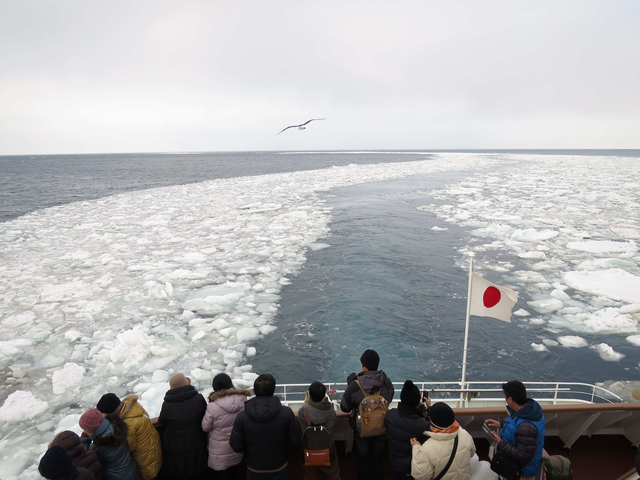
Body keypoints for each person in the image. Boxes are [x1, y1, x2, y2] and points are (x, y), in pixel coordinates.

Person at [229, 373, 302, 479]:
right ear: (273, 389)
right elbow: (295, 441)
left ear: (255, 390)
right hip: (278, 465)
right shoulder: (286, 413)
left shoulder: (242, 417)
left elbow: (236, 445)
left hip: (254, 467)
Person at [340, 349, 394, 480]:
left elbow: (344, 407)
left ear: (363, 366)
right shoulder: (386, 383)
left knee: (363, 459)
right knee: (378, 458)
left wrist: (350, 385)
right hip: (381, 426)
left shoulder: (355, 385)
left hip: (361, 429)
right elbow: (389, 399)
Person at [485, 380, 546, 480]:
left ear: (510, 399)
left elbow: (522, 455)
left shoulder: (526, 427)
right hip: (519, 466)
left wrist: (500, 442)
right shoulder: (528, 411)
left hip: (521, 472)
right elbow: (516, 424)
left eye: (506, 396)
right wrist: (501, 424)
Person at [97, 392, 162, 480]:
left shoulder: (127, 425)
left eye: (102, 413)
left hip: (147, 467)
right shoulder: (132, 409)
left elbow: (128, 448)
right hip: (154, 457)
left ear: (110, 412)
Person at [156, 373, 209, 480]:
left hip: (175, 446)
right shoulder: (198, 399)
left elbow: (162, 421)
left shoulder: (167, 404)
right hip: (197, 443)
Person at [201, 373, 252, 479]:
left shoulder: (213, 406)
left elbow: (205, 427)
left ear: (216, 387)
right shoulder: (243, 400)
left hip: (219, 453)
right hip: (236, 448)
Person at [410, 402, 476, 480]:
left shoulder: (427, 448)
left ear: (432, 423)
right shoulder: (466, 435)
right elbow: (472, 453)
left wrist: (416, 448)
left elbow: (421, 476)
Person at [385, 380, 430, 480]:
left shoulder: (390, 415)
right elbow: (435, 428)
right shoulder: (423, 424)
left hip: (396, 464)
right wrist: (429, 408)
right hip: (416, 465)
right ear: (417, 400)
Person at [79, 408, 139, 480]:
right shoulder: (115, 427)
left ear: (92, 429)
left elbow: (88, 459)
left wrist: (84, 440)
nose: (85, 431)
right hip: (131, 472)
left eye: (86, 429)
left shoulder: (98, 446)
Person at [297, 381, 340, 480]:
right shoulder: (331, 412)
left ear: (310, 396)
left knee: (309, 476)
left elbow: (303, 428)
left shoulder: (302, 411)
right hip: (327, 450)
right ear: (324, 395)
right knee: (334, 475)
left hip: (308, 450)